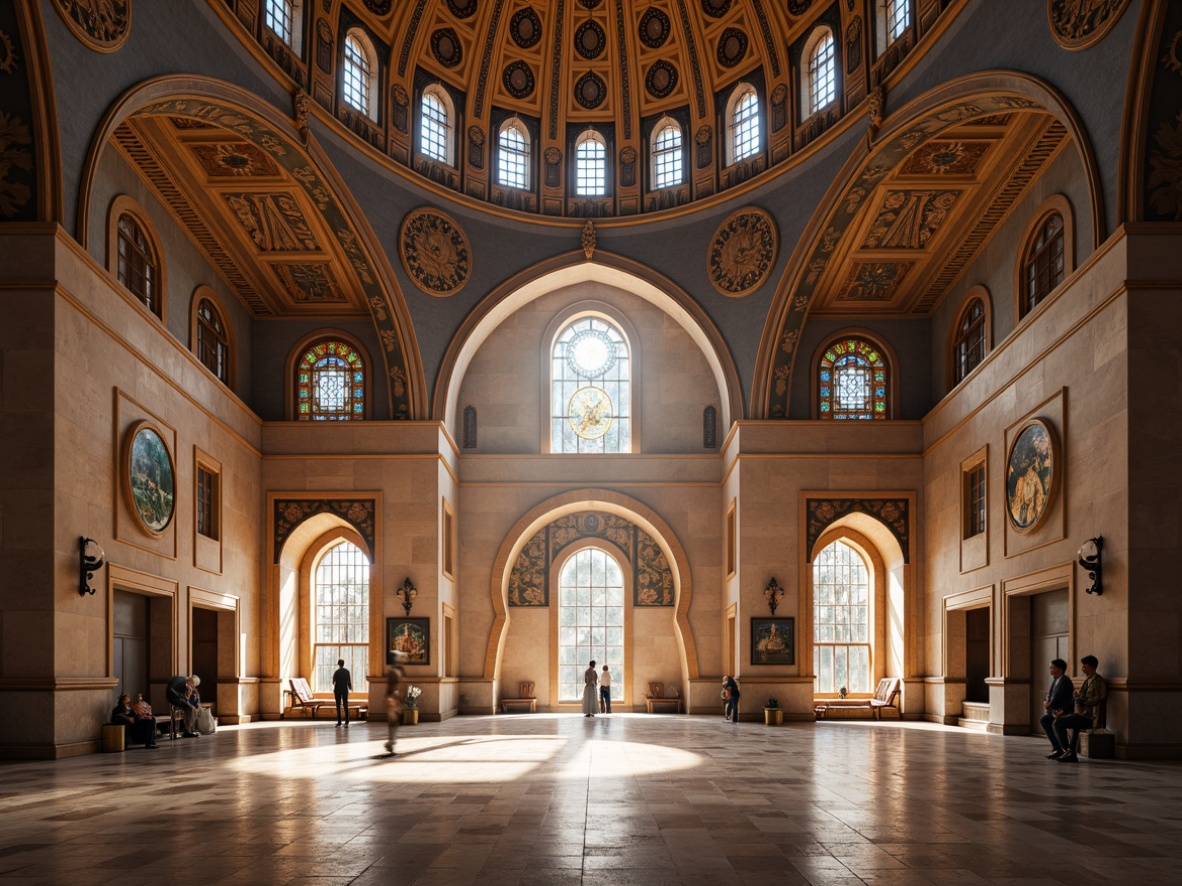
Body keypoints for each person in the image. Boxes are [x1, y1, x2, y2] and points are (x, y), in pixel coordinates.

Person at [1052, 655, 1108, 763]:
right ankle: (1070, 752)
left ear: (1092, 667)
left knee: (1057, 723)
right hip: (1080, 713)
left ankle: (1068, 750)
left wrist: (1082, 700)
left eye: (1085, 666)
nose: (1083, 668)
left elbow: (1098, 698)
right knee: (1060, 721)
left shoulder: (1097, 681)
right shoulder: (1088, 680)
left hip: (1088, 716)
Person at [1040, 658, 1076, 759]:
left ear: (1060, 669)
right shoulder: (1056, 680)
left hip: (1064, 712)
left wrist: (1052, 704)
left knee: (1054, 722)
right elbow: (1052, 695)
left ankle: (1066, 749)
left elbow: (1062, 698)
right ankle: (1057, 748)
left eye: (1053, 667)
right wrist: (1048, 702)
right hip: (1054, 711)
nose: (1050, 669)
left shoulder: (1065, 681)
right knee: (1044, 720)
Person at [385, 651, 406, 756]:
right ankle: (391, 742)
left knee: (394, 722)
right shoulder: (394, 672)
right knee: (393, 722)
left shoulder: (396, 672)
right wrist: (392, 699)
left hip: (394, 698)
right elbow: (391, 687)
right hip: (392, 698)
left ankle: (391, 741)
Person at [332, 658, 353, 727]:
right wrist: (350, 688)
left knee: (338, 705)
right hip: (344, 689)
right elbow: (349, 682)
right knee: (345, 705)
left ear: (338, 664)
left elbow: (333, 682)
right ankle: (347, 721)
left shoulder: (336, 672)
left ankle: (339, 722)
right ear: (343, 664)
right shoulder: (347, 671)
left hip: (338, 690)